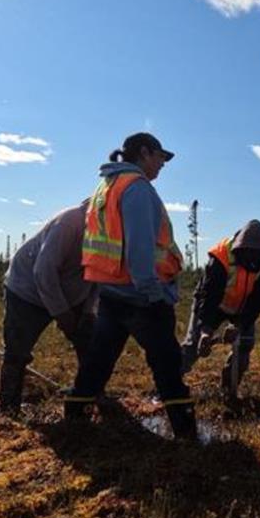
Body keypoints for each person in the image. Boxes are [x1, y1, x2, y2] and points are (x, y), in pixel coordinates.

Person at [65, 133, 197, 439]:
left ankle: (74, 421)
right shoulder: (137, 189)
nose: (163, 164)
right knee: (167, 366)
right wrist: (155, 295)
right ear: (144, 153)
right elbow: (139, 251)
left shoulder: (106, 187)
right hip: (142, 297)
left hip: (111, 293)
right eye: (161, 157)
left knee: (97, 362)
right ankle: (187, 436)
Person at [0, 200, 97, 417]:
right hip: (27, 292)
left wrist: (88, 312)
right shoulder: (70, 222)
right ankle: (8, 411)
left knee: (90, 348)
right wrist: (62, 313)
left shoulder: (112, 231)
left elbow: (98, 277)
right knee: (17, 352)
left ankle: (89, 397)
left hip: (72, 293)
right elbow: (44, 271)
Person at [182, 220, 260, 400]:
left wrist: (240, 325)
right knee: (192, 345)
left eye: (255, 257)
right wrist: (206, 330)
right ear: (239, 250)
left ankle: (228, 391)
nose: (251, 261)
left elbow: (259, 300)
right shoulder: (221, 256)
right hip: (213, 303)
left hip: (242, 308)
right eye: (247, 256)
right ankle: (168, 386)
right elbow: (209, 295)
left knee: (244, 345)